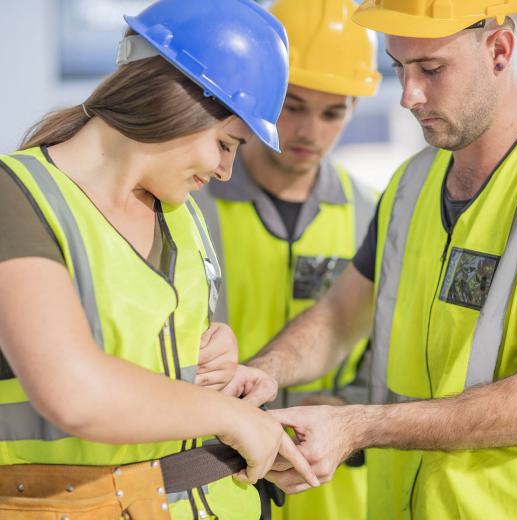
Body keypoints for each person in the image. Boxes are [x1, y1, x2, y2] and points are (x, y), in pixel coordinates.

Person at [238, 1, 517, 518]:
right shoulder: (412, 183)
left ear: (499, 50)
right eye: (399, 68)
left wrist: (358, 427)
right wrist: (262, 373)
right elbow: (340, 317)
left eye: (431, 69)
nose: (409, 96)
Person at [0, 1, 318, 518]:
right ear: (180, 102)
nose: (224, 170)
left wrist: (219, 371)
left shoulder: (182, 213)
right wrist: (231, 418)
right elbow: (71, 393)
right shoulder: (2, 191)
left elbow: (152, 363)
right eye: (225, 144)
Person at [192, 1, 379, 518]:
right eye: (293, 105)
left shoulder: (373, 213)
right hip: (215, 477)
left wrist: (345, 410)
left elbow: (389, 343)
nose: (309, 131)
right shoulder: (188, 204)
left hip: (329, 488)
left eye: (332, 112)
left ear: (353, 111)